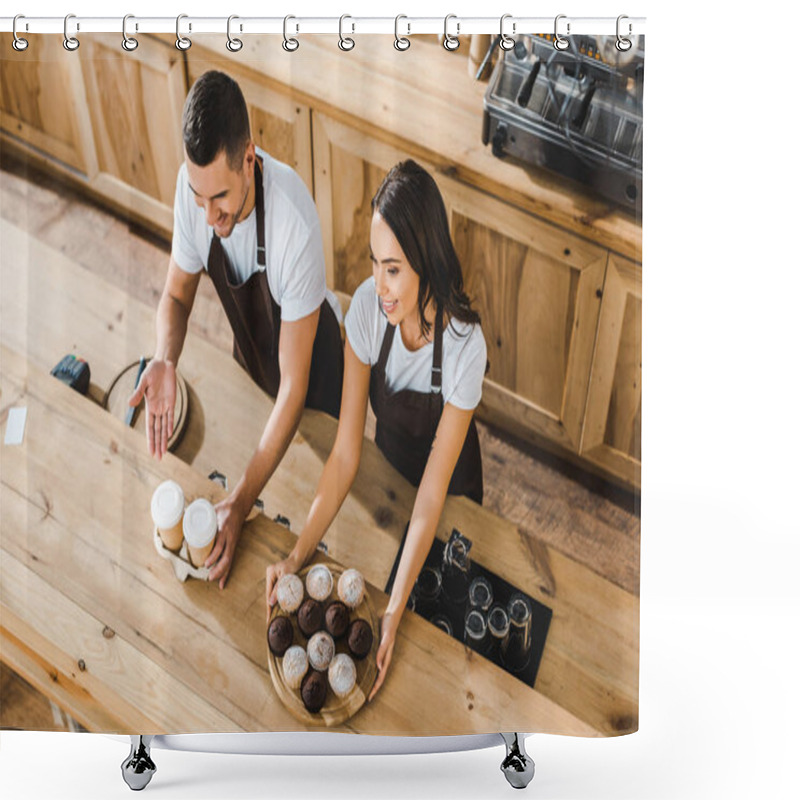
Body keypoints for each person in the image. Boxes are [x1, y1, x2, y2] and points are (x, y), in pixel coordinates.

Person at [265, 160, 487, 701]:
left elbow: (432, 496)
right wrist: (297, 555)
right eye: (374, 262)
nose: (380, 286)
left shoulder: (464, 346)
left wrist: (393, 610)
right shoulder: (364, 311)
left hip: (452, 489)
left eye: (393, 269)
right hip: (388, 466)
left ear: (426, 262)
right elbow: (345, 455)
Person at [128, 70, 344, 589]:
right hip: (252, 355)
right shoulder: (195, 189)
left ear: (249, 157)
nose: (208, 216)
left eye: (219, 198)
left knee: (331, 509)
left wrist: (241, 501)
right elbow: (177, 295)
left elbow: (293, 390)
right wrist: (165, 358)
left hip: (315, 377)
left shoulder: (294, 221)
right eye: (199, 199)